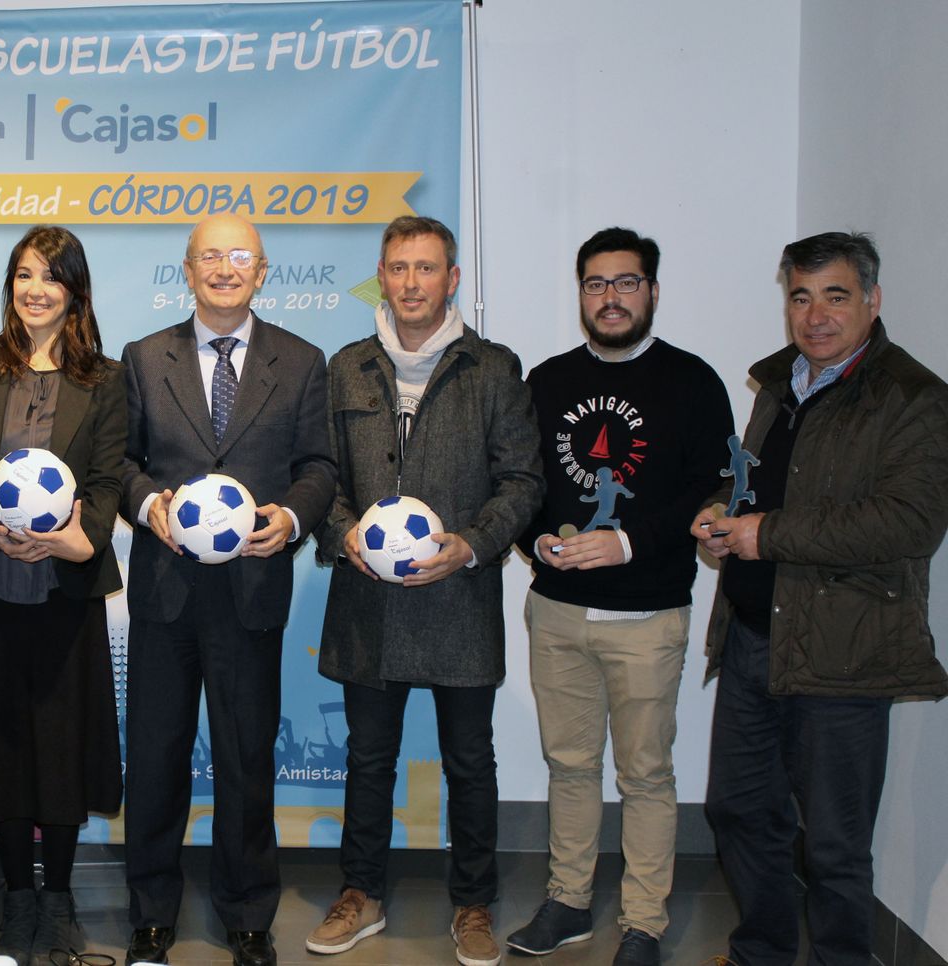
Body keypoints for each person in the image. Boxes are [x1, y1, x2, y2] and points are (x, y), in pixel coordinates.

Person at [693, 232, 948, 966]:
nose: (816, 316)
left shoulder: (912, 397)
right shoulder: (781, 385)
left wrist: (764, 534)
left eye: (835, 296)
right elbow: (758, 484)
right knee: (739, 812)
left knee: (834, 844)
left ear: (872, 300)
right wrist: (722, 511)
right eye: (800, 297)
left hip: (844, 653)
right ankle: (761, 954)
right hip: (750, 638)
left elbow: (909, 522)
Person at [305, 215, 542, 966]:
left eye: (426, 268)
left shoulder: (494, 368)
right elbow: (321, 477)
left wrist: (472, 545)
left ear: (453, 278)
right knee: (368, 758)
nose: (410, 283)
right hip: (367, 602)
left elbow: (523, 480)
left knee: (469, 759)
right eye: (398, 268)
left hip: (458, 600)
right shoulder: (345, 367)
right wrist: (343, 532)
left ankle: (473, 903)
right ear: (382, 275)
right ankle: (361, 894)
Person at [503, 228, 733, 966]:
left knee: (645, 774)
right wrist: (536, 541)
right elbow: (523, 484)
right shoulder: (546, 381)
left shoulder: (694, 382)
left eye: (626, 283)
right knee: (569, 764)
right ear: (580, 294)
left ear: (653, 292)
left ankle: (643, 923)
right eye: (596, 283)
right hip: (557, 611)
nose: (610, 297)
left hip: (648, 613)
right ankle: (568, 902)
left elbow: (712, 489)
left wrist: (629, 542)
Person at [120, 213, 337, 966]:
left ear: (263, 269)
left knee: (246, 758)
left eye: (238, 256)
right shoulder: (145, 358)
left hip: (251, 589)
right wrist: (151, 508)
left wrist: (293, 516)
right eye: (208, 256)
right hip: (163, 591)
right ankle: (150, 910)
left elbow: (320, 468)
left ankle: (248, 910)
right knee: (154, 758)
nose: (223, 268)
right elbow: (119, 465)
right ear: (187, 270)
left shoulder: (304, 361)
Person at [0, 225, 125, 965]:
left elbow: (107, 482)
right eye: (23, 274)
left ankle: (60, 901)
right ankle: (16, 900)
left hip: (66, 591)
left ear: (75, 289)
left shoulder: (103, 379)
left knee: (61, 746)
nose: (35, 288)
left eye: (51, 275)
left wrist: (81, 537)